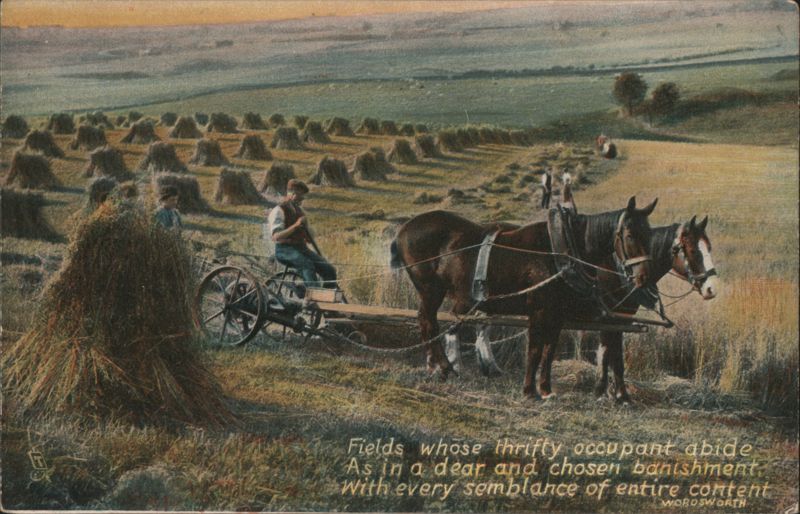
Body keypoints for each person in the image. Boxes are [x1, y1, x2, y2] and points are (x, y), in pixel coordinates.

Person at [267, 179, 338, 289]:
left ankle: (327, 297)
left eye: (302, 196)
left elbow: (309, 239)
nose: (301, 199)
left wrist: (307, 230)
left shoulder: (299, 212)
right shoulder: (278, 210)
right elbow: (276, 237)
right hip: (285, 250)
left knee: (329, 269)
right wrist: (295, 226)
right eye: (299, 195)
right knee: (307, 265)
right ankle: (314, 297)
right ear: (291, 193)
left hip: (301, 248)